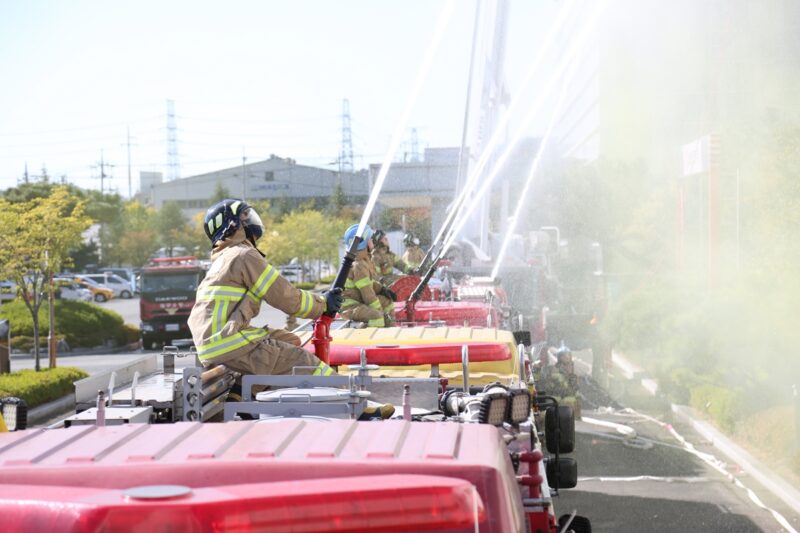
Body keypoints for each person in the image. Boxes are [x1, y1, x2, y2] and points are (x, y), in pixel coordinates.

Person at [188, 199, 343, 378]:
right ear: (232, 225)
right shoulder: (243, 255)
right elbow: (284, 295)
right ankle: (348, 399)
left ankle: (244, 394)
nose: (251, 219)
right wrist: (323, 304)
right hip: (228, 342)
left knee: (290, 340)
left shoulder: (225, 258)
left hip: (218, 342)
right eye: (245, 216)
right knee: (303, 363)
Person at [339, 224, 397, 327]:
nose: (372, 241)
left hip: (358, 299)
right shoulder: (359, 264)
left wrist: (382, 290)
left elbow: (369, 283)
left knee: (387, 301)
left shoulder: (365, 260)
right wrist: (380, 311)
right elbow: (367, 294)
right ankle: (372, 338)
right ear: (363, 243)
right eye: (370, 239)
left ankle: (391, 330)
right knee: (376, 316)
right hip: (349, 306)